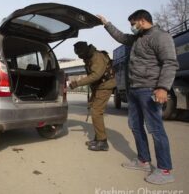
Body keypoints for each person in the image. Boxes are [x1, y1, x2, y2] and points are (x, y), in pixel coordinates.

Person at [97, 10, 179, 185]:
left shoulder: (160, 36)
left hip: (149, 89)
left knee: (155, 129)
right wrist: (106, 24)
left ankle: (165, 170)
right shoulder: (138, 38)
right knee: (134, 125)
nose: (132, 28)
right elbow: (121, 37)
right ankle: (143, 161)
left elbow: (170, 63)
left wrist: (163, 88)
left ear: (142, 21)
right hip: (134, 89)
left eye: (133, 24)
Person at [69, 41, 116, 151]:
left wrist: (77, 83)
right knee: (93, 109)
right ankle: (98, 138)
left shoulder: (97, 57)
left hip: (105, 86)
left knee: (96, 112)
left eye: (79, 54)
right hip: (99, 86)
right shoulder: (89, 57)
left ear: (84, 51)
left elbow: (95, 76)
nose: (79, 57)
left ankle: (102, 142)